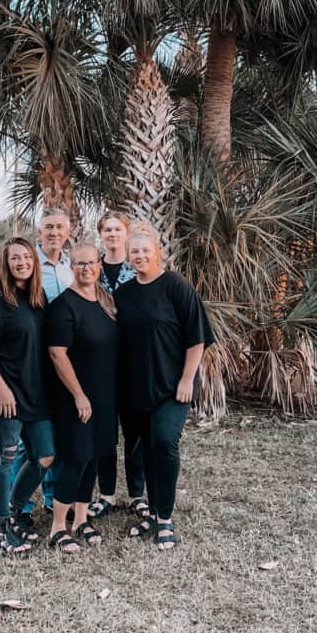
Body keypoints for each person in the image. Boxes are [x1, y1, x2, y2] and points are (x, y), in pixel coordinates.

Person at [115, 224, 214, 550]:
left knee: (164, 444)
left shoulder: (176, 286)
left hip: (173, 387)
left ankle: (165, 519)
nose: (140, 256)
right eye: (134, 252)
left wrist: (188, 379)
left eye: (145, 250)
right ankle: (152, 514)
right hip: (136, 387)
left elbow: (197, 338)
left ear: (158, 251)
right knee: (144, 449)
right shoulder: (124, 293)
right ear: (127, 258)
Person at [0, 237, 55, 555]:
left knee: (44, 455)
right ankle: (2, 525)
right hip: (2, 391)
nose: (21, 262)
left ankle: (16, 509)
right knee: (4, 457)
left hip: (34, 390)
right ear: (6, 263)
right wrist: (2, 389)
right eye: (14, 258)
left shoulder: (36, 296)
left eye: (26, 257)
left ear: (34, 261)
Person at [46, 241, 119, 552]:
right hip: (77, 397)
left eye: (91, 263)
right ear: (70, 266)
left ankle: (81, 519)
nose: (86, 268)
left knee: (93, 457)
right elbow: (56, 353)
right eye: (79, 264)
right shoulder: (64, 306)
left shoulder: (103, 299)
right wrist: (78, 395)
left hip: (105, 394)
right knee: (75, 459)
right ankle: (58, 527)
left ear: (99, 264)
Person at [9, 208, 75, 522]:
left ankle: (51, 498)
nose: (54, 232)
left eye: (59, 227)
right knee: (28, 439)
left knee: (58, 432)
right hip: (33, 361)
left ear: (68, 230)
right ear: (40, 230)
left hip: (65, 360)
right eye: (48, 226)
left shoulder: (71, 265)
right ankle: (18, 505)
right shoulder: (26, 263)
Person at [88, 210, 148, 523]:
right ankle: (107, 493)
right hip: (101, 363)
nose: (112, 235)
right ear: (101, 234)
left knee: (135, 431)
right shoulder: (92, 268)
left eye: (118, 229)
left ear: (126, 233)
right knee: (105, 432)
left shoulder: (138, 266)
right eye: (107, 230)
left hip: (134, 361)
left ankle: (137, 495)